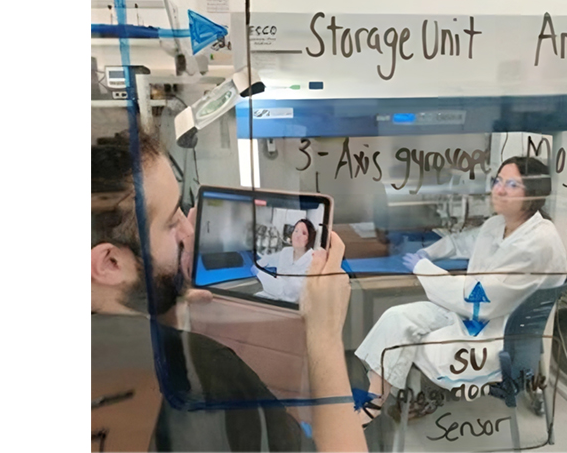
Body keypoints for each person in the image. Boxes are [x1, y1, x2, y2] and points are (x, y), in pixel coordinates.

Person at [91, 135, 366, 451]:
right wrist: (326, 338)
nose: (188, 230)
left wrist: (164, 309)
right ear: (110, 263)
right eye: (170, 222)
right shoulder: (211, 374)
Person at [352, 156, 567, 425]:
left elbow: (480, 298)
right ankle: (372, 407)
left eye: (512, 185)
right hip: (475, 318)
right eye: (498, 181)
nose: (499, 190)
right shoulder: (499, 224)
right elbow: (462, 242)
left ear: (533, 195)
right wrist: (428, 253)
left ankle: (392, 405)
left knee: (405, 340)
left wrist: (423, 268)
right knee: (396, 318)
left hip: (495, 335)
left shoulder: (537, 242)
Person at [252, 219, 317, 303]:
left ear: (310, 238)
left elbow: (291, 290)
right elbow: (268, 259)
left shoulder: (313, 259)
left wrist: (260, 274)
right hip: (274, 295)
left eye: (304, 233)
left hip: (292, 303)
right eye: (296, 231)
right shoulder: (286, 252)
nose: (298, 235)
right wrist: (258, 264)